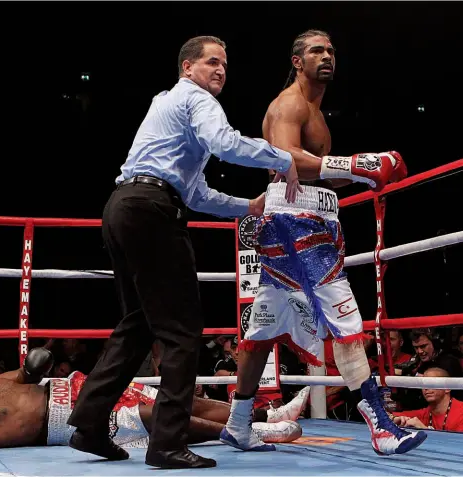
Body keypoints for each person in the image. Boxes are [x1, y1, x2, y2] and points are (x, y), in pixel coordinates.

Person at [66, 35, 301, 469]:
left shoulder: (168, 104)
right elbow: (226, 143)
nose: (221, 71)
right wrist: (283, 158)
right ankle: (166, 444)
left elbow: (194, 193)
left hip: (123, 207)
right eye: (212, 62)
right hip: (151, 213)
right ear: (187, 67)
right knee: (181, 331)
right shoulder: (197, 99)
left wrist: (246, 208)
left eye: (225, 66)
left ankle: (90, 425)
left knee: (138, 324)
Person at [220, 29, 426, 456]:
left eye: (331, 50)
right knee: (345, 319)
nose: (327, 56)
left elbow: (319, 171)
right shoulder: (288, 104)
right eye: (317, 50)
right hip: (298, 224)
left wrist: (365, 171)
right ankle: (382, 428)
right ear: (297, 61)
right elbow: (285, 156)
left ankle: (239, 425)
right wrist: (355, 164)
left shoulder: (314, 110)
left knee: (264, 329)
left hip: (302, 217)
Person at [0, 345, 303, 457]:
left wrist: (32, 368)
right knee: (156, 416)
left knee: (175, 400)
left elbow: (26, 376)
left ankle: (264, 411)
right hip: (67, 423)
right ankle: (251, 431)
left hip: (80, 391)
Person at [391, 368, 463, 432]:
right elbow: (386, 415)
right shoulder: (425, 413)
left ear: (447, 388)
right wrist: (394, 419)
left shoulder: (461, 412)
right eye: (424, 384)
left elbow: (458, 444)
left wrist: (424, 430)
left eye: (431, 383)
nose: (426, 388)